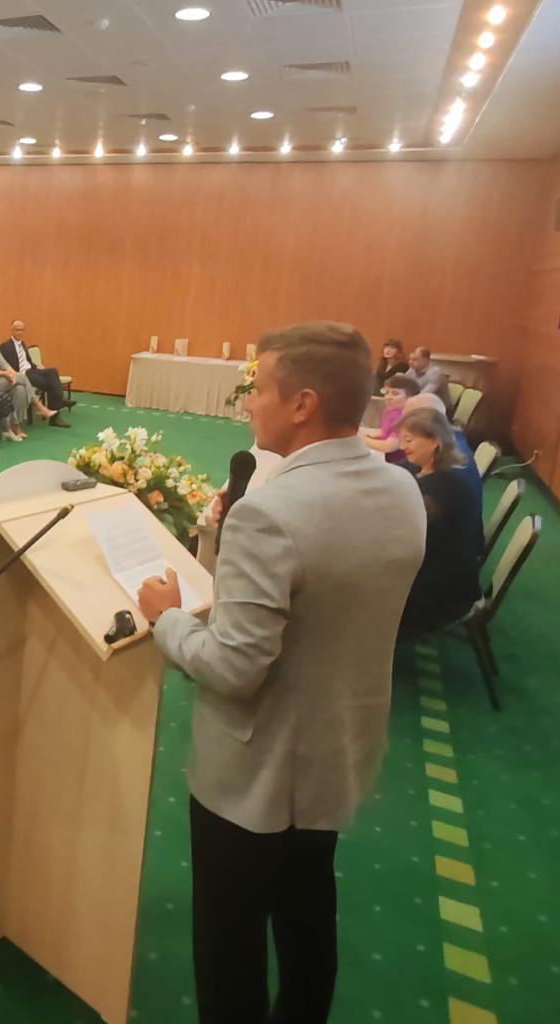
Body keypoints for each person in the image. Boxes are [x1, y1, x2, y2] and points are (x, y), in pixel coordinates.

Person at [136, 322, 424, 1024]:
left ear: (302, 403)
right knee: (307, 913)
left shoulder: (270, 513)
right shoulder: (402, 489)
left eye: (257, 388)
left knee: (229, 946)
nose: (247, 404)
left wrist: (166, 620)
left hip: (257, 770)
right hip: (338, 748)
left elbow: (233, 667)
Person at [396, 408, 484, 639]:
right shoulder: (429, 466)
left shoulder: (443, 487)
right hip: (441, 571)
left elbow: (404, 533)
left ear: (435, 441)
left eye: (409, 440)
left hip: (442, 592)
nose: (402, 446)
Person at [0, 320, 68, 426]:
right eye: (17, 330)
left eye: (22, 330)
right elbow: (6, 365)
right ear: (12, 330)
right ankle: (57, 408)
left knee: (53, 371)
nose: (20, 332)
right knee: (51, 384)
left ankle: (57, 403)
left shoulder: (22, 344)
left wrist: (36, 366)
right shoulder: (5, 346)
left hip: (32, 370)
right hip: (22, 374)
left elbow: (27, 361)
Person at [361, 373, 419, 463]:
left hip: (396, 462)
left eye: (395, 393)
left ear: (410, 398)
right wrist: (359, 431)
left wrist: (363, 440)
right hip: (383, 456)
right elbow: (384, 431)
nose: (388, 397)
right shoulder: (390, 411)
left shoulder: (405, 417)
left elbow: (389, 446)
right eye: (386, 392)